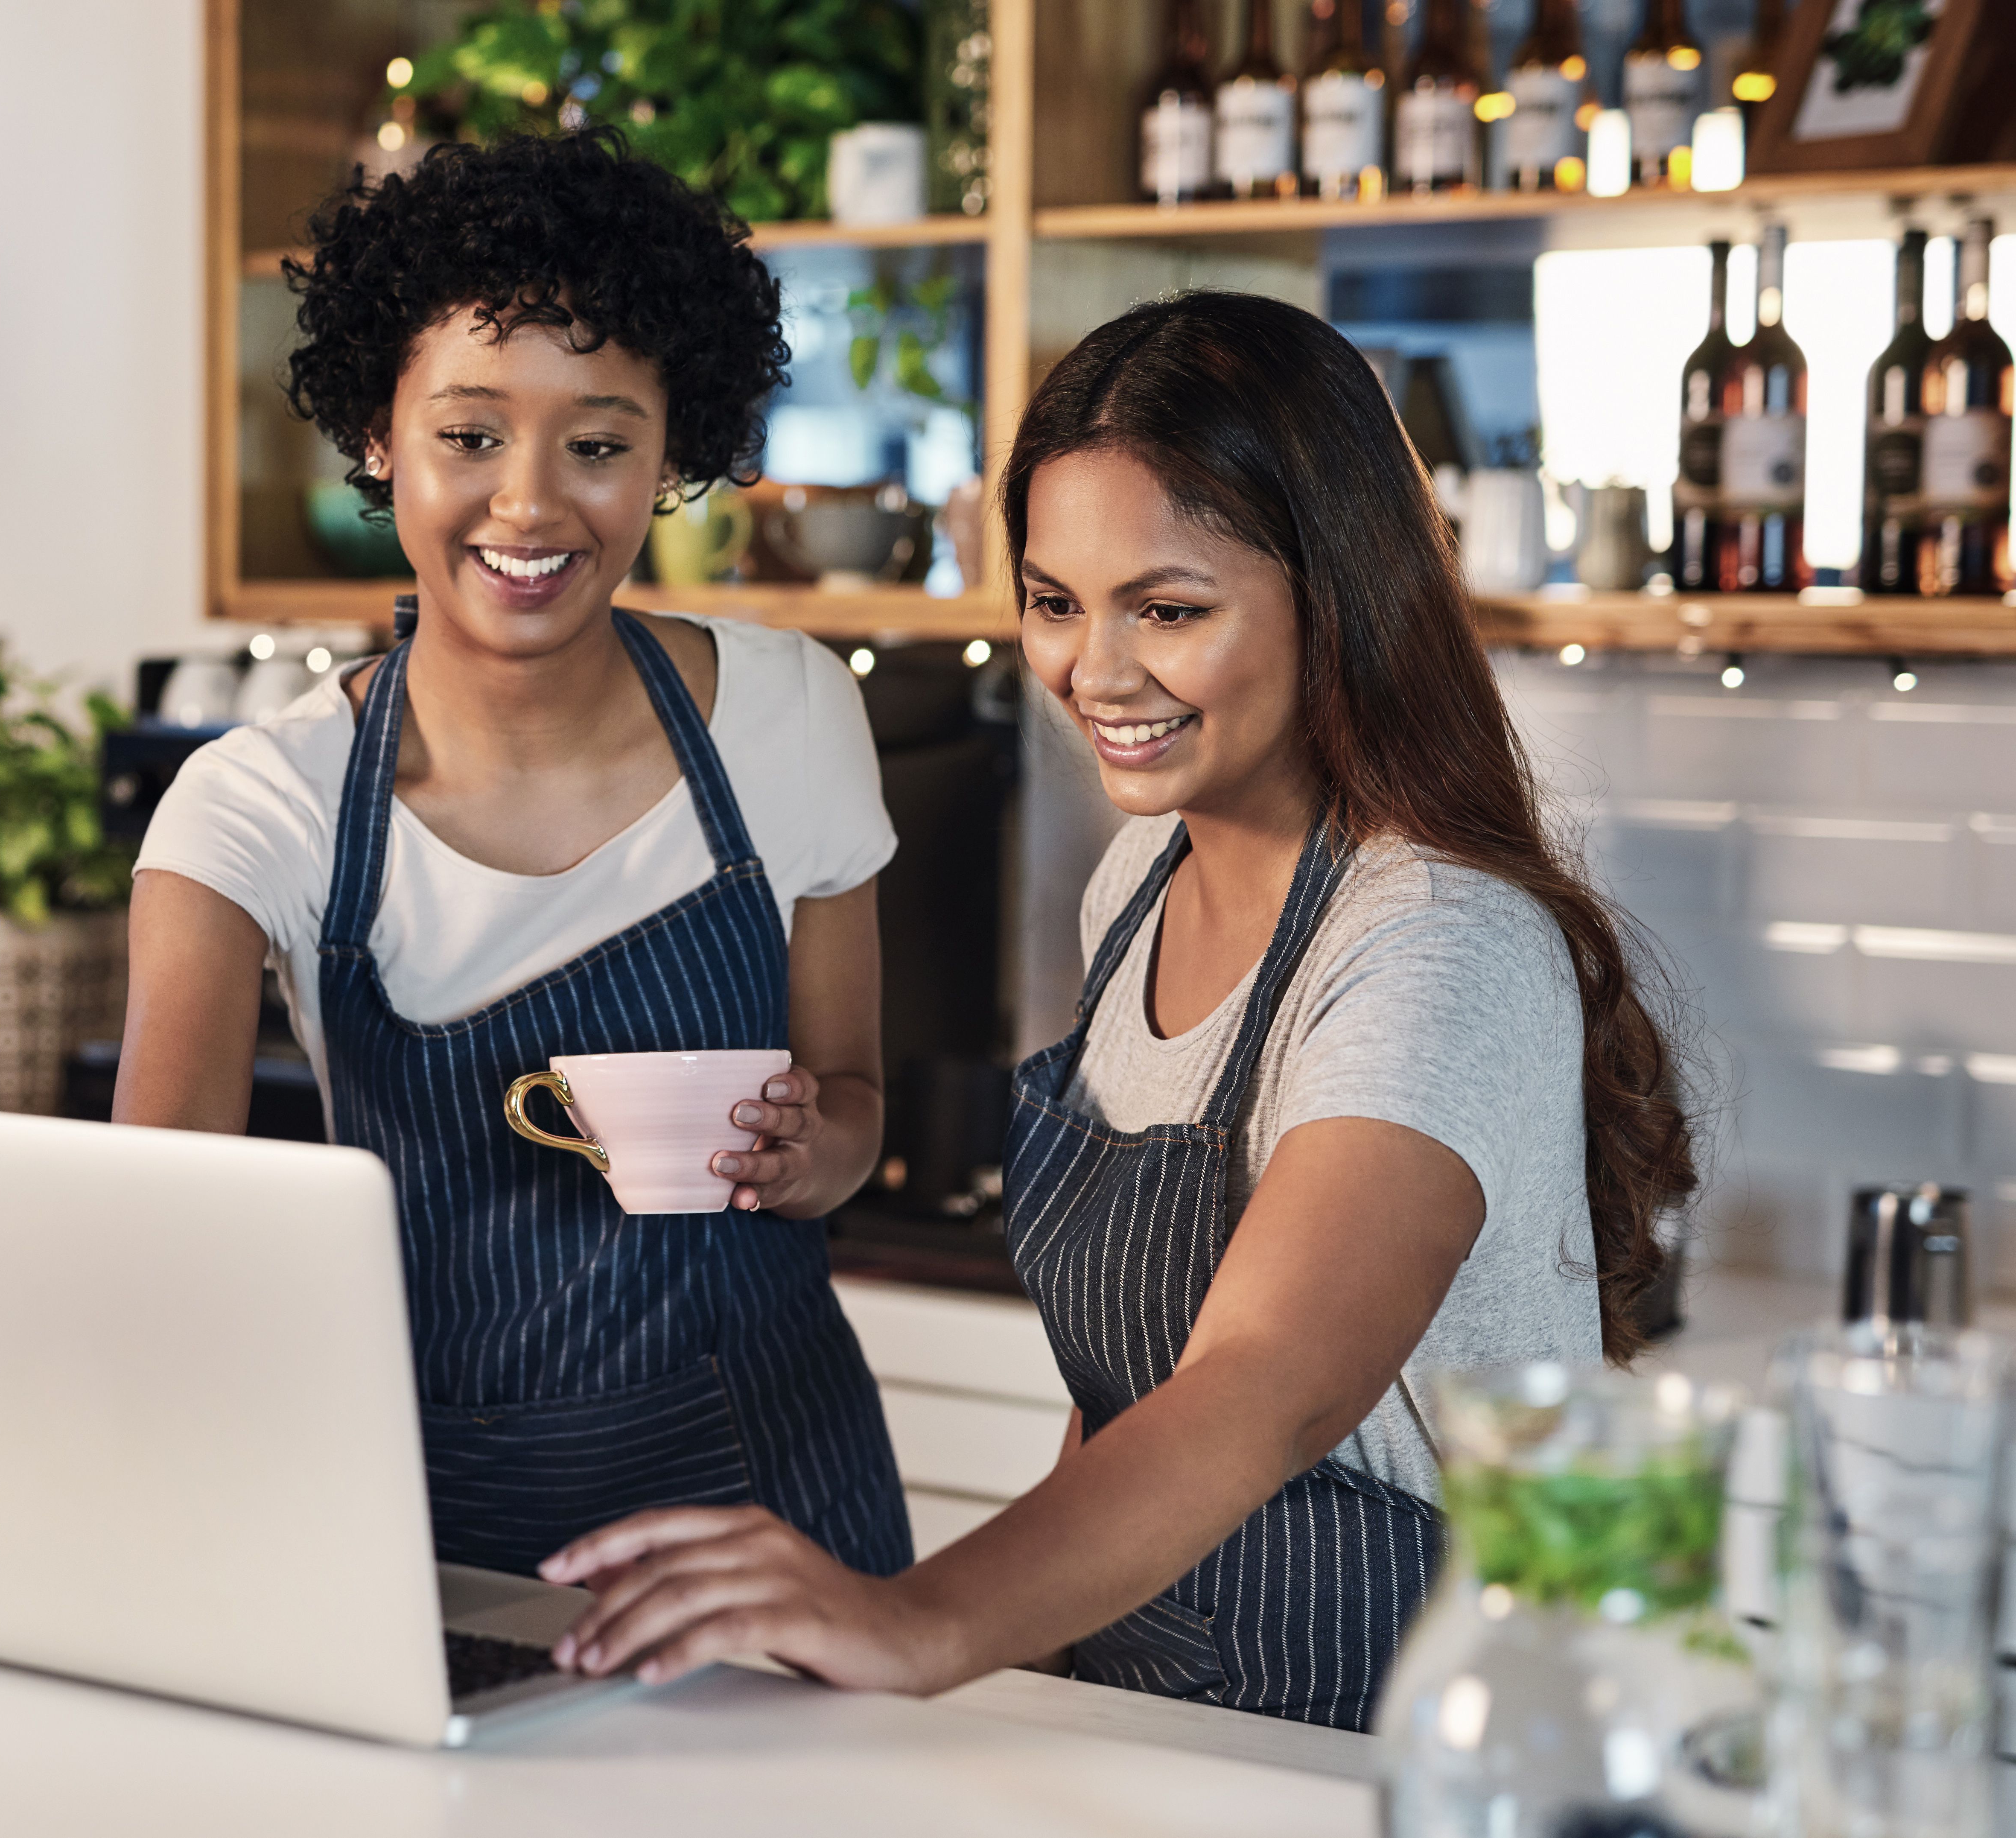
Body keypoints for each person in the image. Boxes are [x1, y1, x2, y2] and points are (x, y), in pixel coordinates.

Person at [539, 292, 1698, 1729]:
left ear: (1334, 593)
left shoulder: (1434, 939)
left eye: (1167, 608)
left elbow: (1264, 1382)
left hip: (1398, 1739)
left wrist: (917, 1619)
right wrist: (1004, 1681)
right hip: (1156, 1712)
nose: (1094, 671)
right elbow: (1122, 1397)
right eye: (1052, 601)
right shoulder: (1143, 878)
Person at [114, 128, 910, 1581]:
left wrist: (816, 1150)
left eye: (598, 445)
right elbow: (165, 1238)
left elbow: (852, 1103)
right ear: (377, 436)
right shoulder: (258, 811)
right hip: (440, 1531)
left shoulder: (791, 720)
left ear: (675, 453)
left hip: (782, 1514)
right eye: (468, 436)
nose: (532, 505)